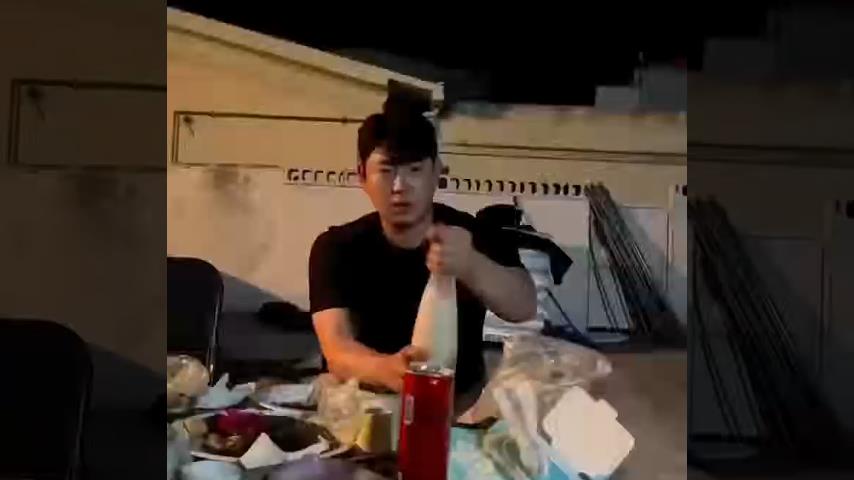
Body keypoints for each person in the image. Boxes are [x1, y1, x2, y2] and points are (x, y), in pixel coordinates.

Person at [308, 98, 536, 399]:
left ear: (436, 172)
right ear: (362, 175)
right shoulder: (336, 247)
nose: (400, 186)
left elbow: (524, 307)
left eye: (414, 169)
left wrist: (471, 265)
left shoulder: (469, 235)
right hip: (364, 401)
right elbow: (337, 349)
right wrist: (388, 370)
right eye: (387, 171)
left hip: (457, 404)